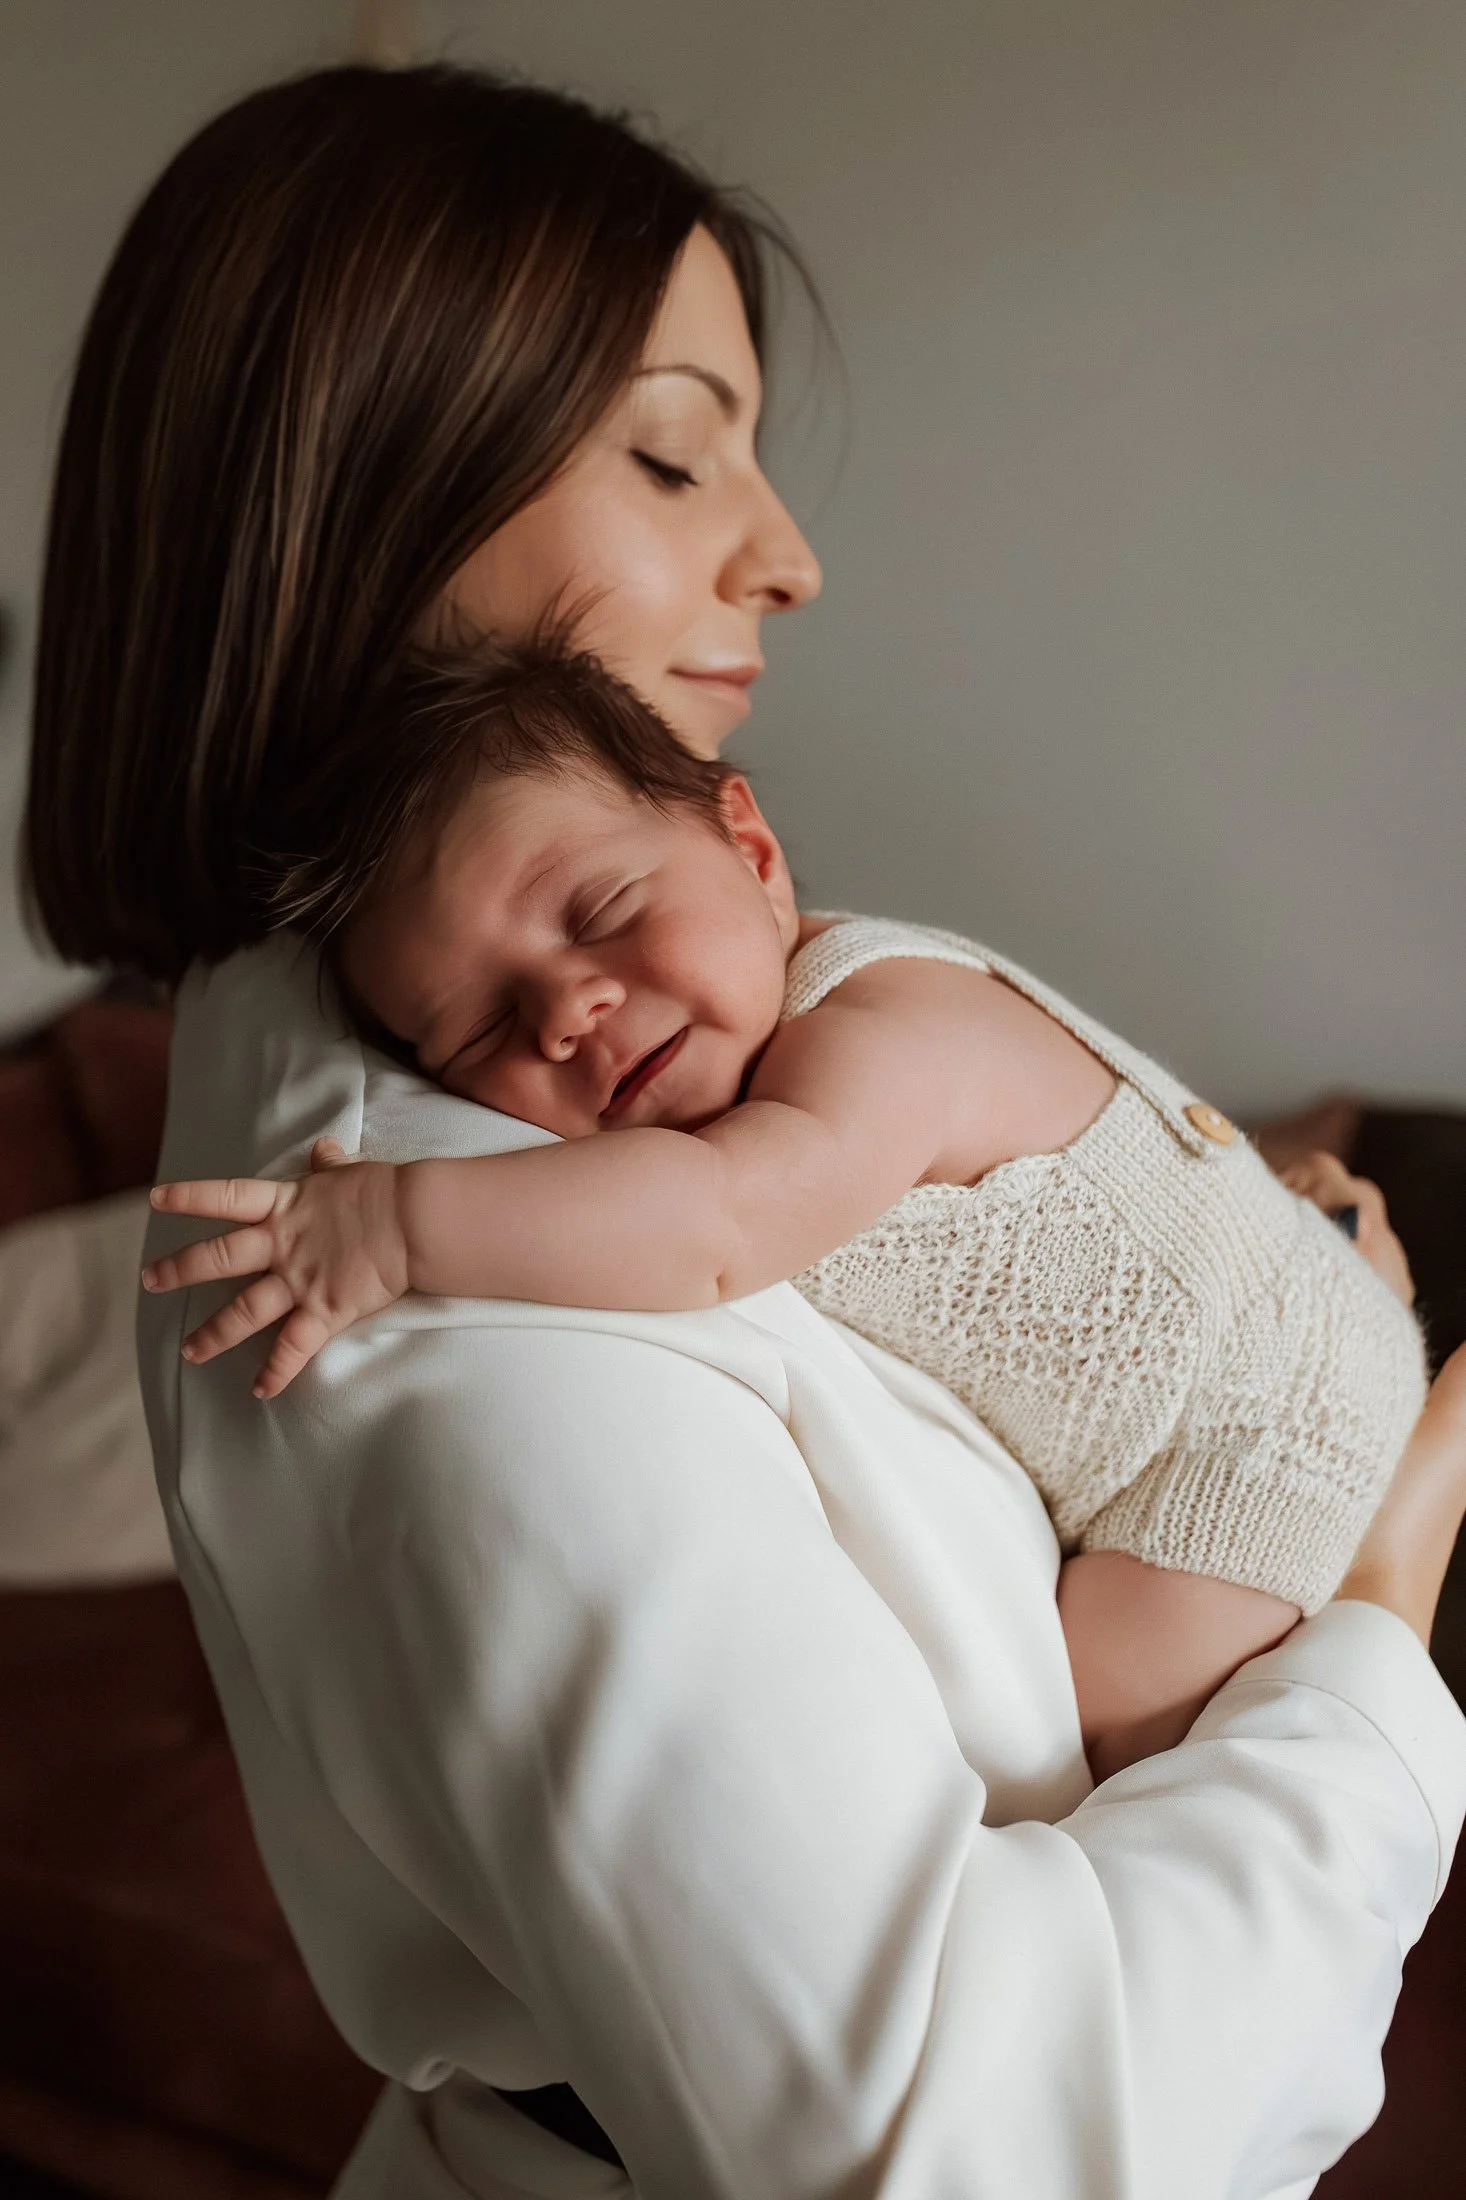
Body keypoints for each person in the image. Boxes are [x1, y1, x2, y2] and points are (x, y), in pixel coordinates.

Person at [23, 62, 1466, 2199]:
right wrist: (1366, 1636)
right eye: (676, 448)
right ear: (363, 484)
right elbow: (943, 2147)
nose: (783, 555)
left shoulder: (466, 1081)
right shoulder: (437, 1250)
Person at [144, 642, 1426, 1783]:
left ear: (751, 856)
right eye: (483, 1027)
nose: (565, 1010)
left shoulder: (879, 1032)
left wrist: (394, 1227)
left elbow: (714, 1226)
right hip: (1256, 1310)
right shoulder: (732, 1061)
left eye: (601, 913)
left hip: (1260, 1418)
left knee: (1105, 1745)